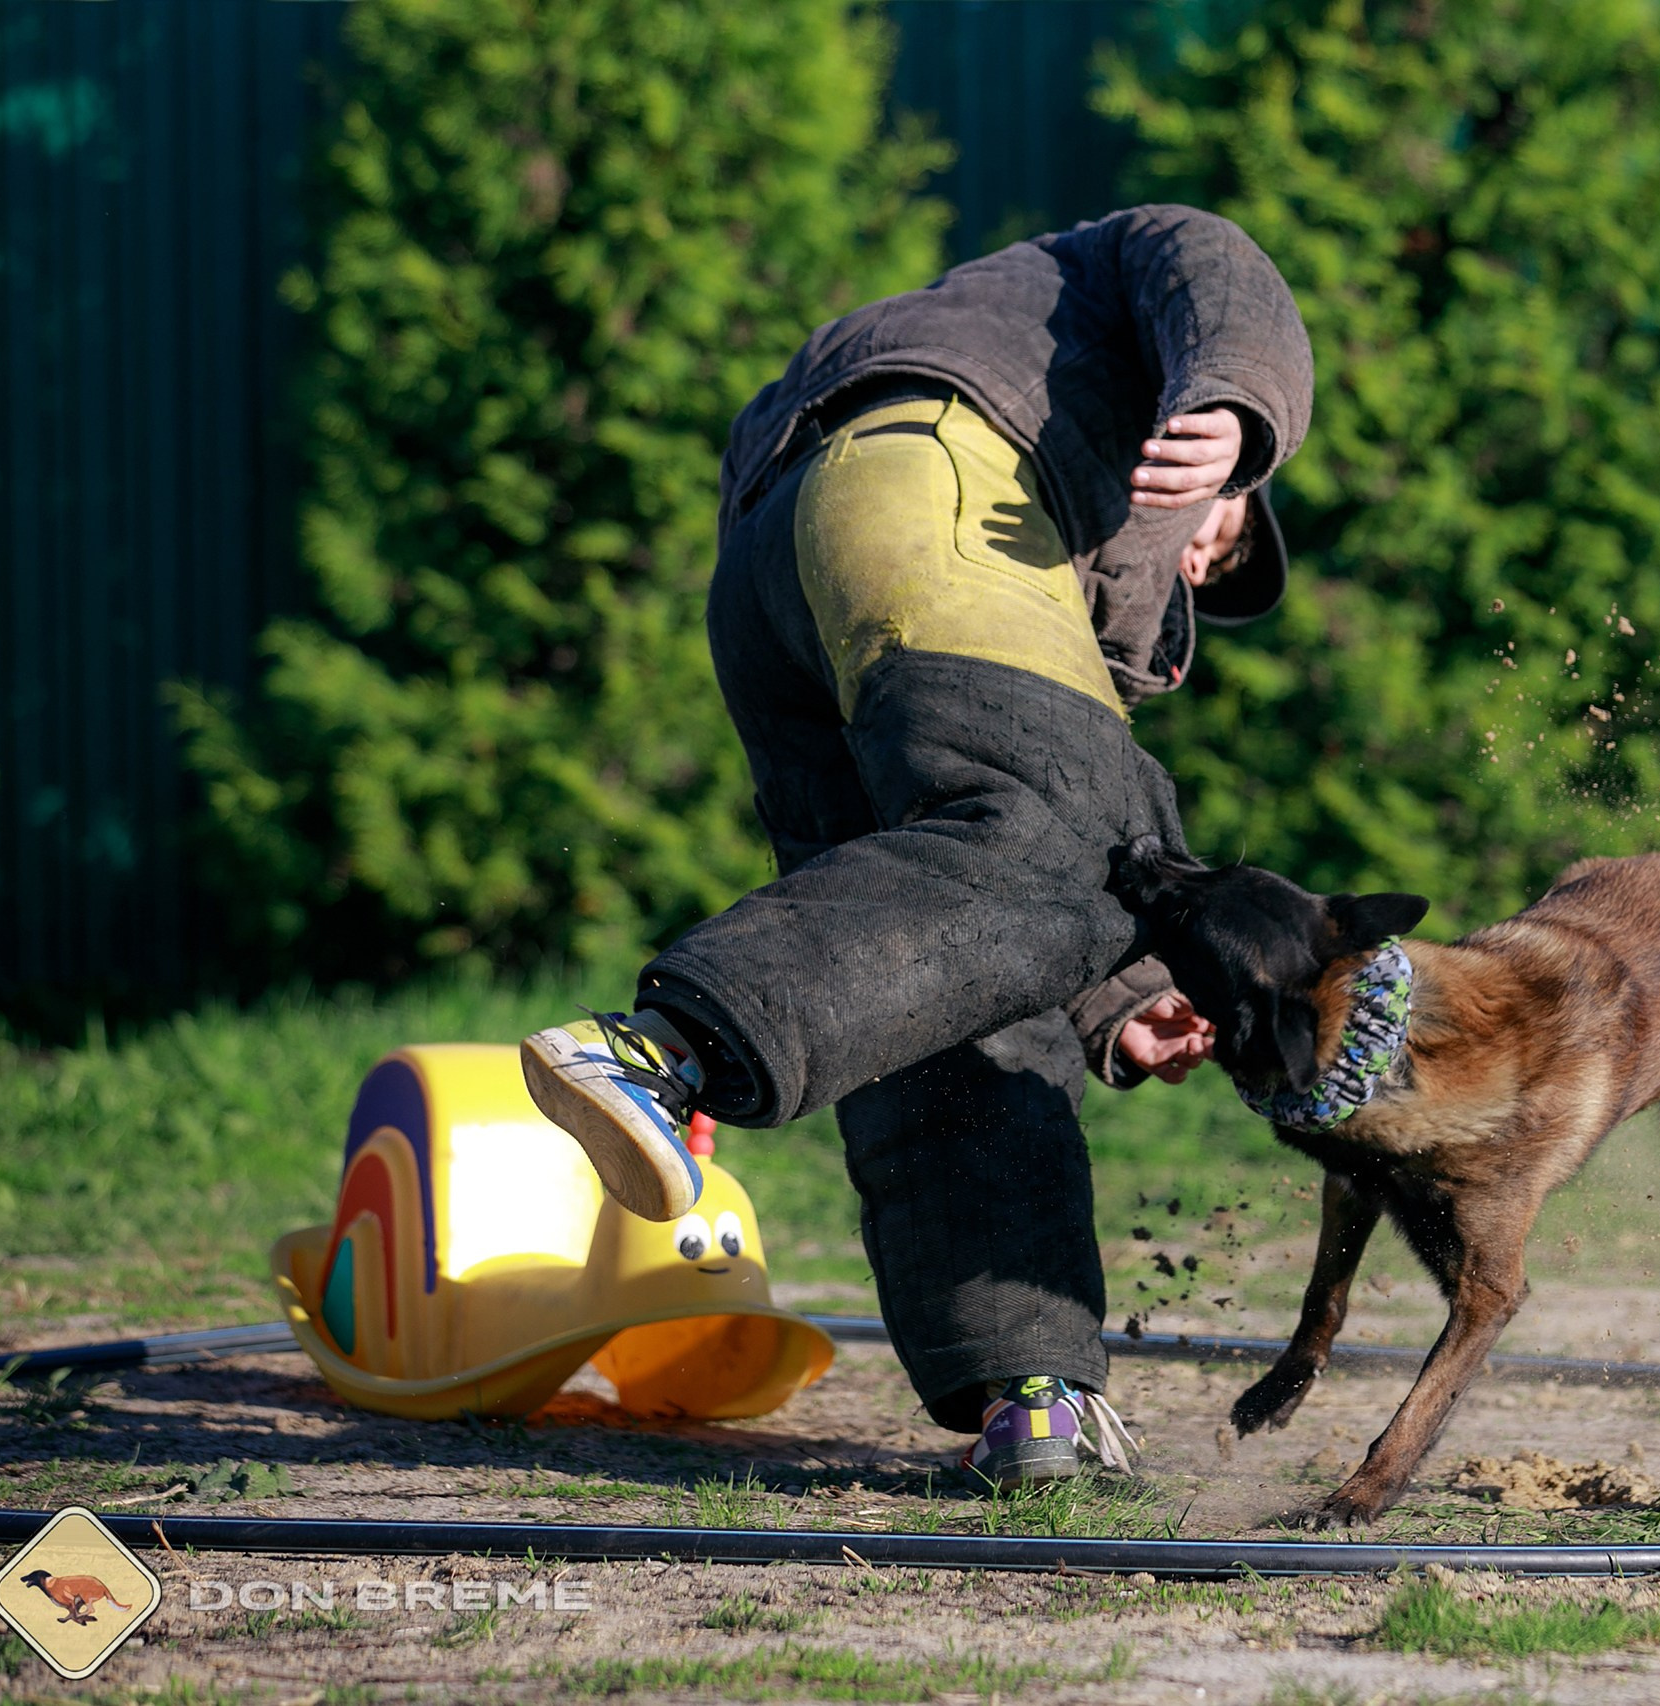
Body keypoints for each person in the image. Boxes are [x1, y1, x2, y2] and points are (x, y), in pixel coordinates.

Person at [518, 205, 1313, 1489]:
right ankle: (657, 1051)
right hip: (932, 477)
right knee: (1082, 816)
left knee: (960, 970)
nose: (1206, 555)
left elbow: (1009, 891)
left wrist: (1115, 997)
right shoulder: (1097, 320)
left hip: (778, 565)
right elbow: (1209, 247)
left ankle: (1035, 1399)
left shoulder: (1076, 583)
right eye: (1223, 531)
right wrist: (1233, 408)